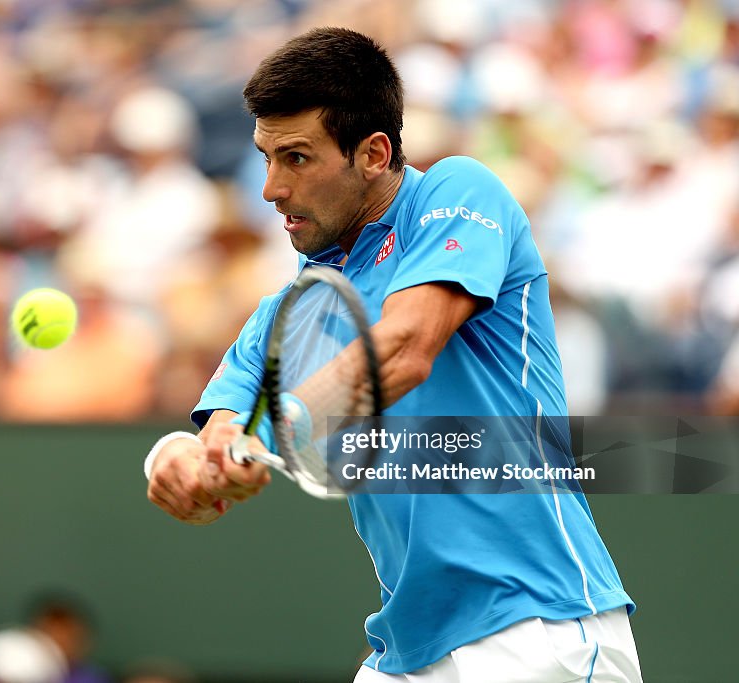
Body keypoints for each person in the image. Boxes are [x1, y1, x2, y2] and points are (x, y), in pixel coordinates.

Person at [143, 28, 643, 682]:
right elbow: (220, 430)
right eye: (265, 157)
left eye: (296, 158)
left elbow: (406, 346)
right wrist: (179, 461)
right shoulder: (288, 312)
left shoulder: (460, 193)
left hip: (539, 630)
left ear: (374, 153)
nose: (270, 189)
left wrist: (290, 421)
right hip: (407, 652)